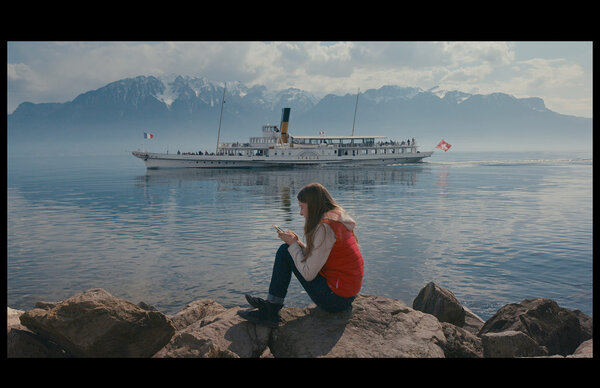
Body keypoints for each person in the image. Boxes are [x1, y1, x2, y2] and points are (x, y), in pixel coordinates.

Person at [238, 183, 364, 328]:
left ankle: (271, 310)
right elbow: (321, 256)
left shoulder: (325, 228)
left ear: (313, 206)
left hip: (336, 300)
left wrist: (292, 246)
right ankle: (271, 306)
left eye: (302, 207)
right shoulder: (336, 218)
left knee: (285, 251)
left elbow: (308, 274)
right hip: (345, 293)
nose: (301, 213)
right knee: (288, 250)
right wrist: (298, 244)